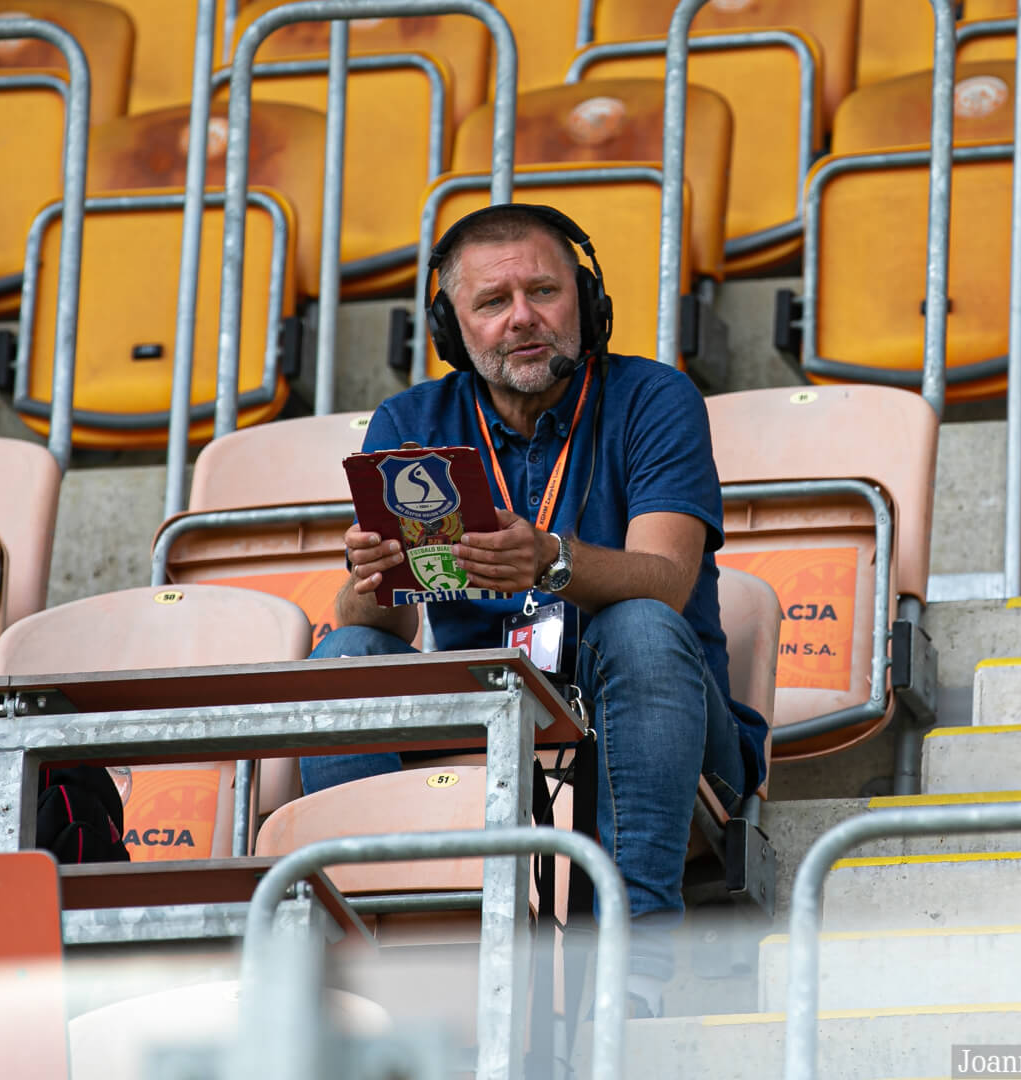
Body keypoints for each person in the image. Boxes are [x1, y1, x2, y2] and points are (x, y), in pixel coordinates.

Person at [302, 203, 767, 1018]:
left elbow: (666, 580)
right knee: (343, 657)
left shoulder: (656, 397)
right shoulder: (410, 423)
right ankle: (383, 961)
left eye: (544, 291)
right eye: (493, 301)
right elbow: (391, 625)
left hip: (667, 727)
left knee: (638, 623)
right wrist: (369, 580)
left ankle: (635, 967)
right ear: (452, 328)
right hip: (492, 724)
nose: (522, 317)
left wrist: (550, 560)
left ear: (586, 301)